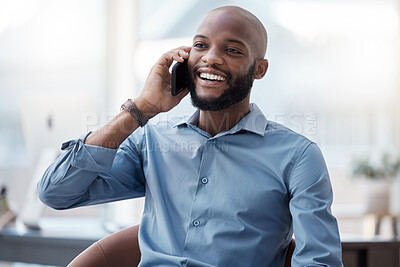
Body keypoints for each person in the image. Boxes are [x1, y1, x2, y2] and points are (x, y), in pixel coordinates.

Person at [38, 5, 343, 267]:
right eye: (200, 45)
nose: (211, 58)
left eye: (232, 50)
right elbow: (56, 192)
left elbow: (320, 260)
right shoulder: (152, 142)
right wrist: (141, 108)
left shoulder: (298, 156)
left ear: (259, 69)